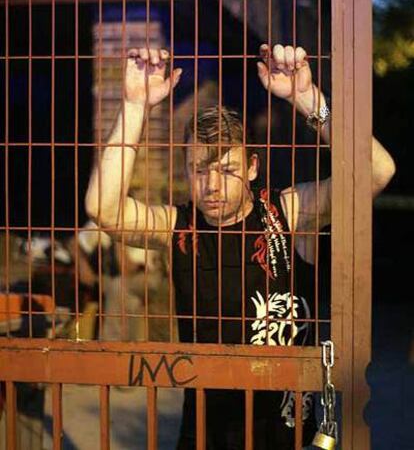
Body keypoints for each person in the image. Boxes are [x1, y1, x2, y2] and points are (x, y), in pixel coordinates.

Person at [85, 44, 395, 449]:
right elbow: (102, 208)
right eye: (199, 170)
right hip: (205, 432)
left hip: (285, 432)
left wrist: (307, 98)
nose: (211, 185)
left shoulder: (289, 212)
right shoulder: (179, 225)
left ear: (251, 168)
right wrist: (135, 105)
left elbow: (377, 171)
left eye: (227, 170)